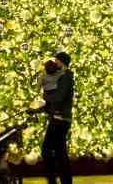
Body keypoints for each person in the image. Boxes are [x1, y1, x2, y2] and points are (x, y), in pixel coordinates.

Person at [38, 51, 74, 184]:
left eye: (57, 61)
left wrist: (44, 97)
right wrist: (39, 109)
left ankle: (53, 181)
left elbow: (58, 97)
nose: (55, 63)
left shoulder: (66, 78)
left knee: (47, 151)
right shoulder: (63, 77)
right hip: (60, 119)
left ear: (62, 63)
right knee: (60, 153)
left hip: (60, 120)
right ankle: (65, 181)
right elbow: (54, 99)